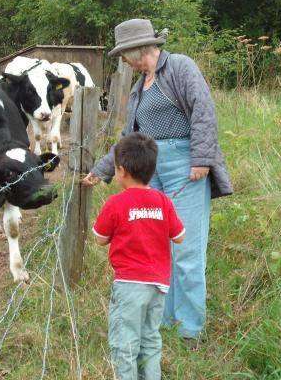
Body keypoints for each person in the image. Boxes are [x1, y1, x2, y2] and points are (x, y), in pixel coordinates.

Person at [84, 18, 233, 345]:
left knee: (187, 248)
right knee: (161, 245)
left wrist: (201, 158)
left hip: (185, 165)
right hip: (151, 169)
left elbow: (203, 110)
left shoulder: (179, 67)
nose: (123, 60)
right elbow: (130, 137)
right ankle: (166, 319)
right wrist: (104, 169)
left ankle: (191, 329)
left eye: (124, 53)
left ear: (137, 50)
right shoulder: (140, 87)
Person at [93, 132, 185, 380]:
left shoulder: (115, 203)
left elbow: (100, 238)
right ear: (152, 170)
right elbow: (179, 236)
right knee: (150, 338)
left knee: (125, 342)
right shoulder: (163, 201)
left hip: (129, 285)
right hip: (158, 285)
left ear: (121, 171)